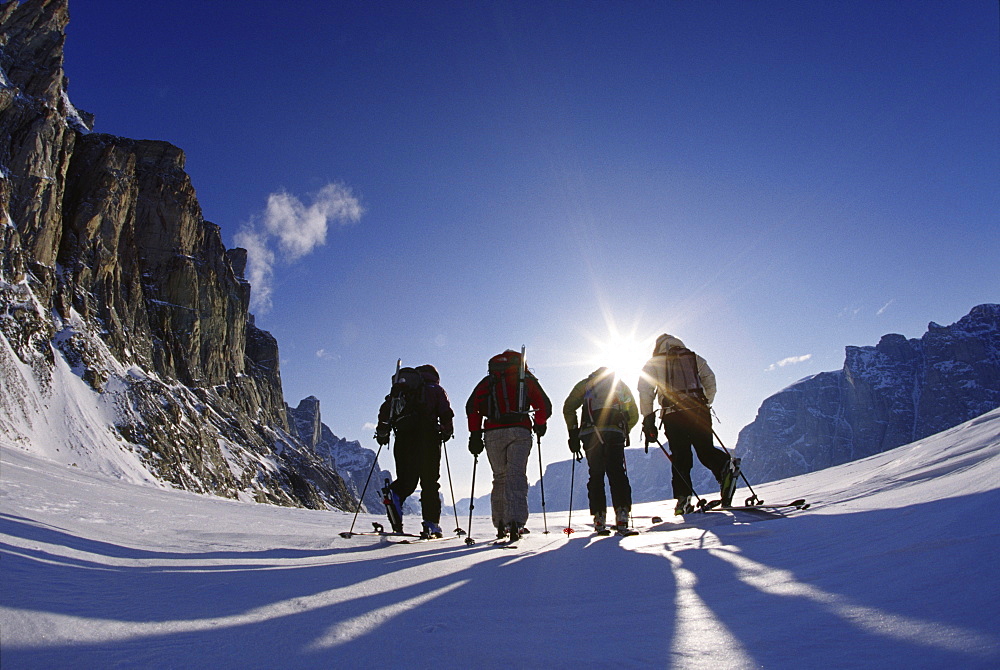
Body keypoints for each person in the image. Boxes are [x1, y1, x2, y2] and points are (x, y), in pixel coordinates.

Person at [637, 334, 739, 513]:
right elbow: (710, 380)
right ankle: (724, 466)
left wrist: (648, 419)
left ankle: (683, 499)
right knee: (705, 449)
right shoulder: (692, 357)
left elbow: (645, 391)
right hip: (698, 410)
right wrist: (705, 402)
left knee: (681, 457)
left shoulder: (654, 362)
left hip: (673, 414)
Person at [466, 349, 552, 541]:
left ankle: (500, 523)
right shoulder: (525, 379)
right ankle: (516, 522)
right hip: (520, 430)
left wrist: (475, 434)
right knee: (516, 474)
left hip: (492, 433)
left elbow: (472, 406)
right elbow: (544, 405)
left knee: (499, 477)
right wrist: (540, 424)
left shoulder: (488, 381)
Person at [375, 364, 454, 537]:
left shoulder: (403, 390)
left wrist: (382, 432)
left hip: (403, 438)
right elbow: (446, 412)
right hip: (428, 439)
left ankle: (395, 494)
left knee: (407, 479)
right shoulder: (436, 389)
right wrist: (447, 430)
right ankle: (431, 523)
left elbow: (385, 410)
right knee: (429, 482)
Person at [563, 367, 639, 532]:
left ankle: (599, 517)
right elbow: (633, 412)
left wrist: (574, 433)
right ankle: (622, 514)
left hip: (591, 434)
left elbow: (568, 408)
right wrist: (625, 430)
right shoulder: (619, 385)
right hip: (615, 432)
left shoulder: (585, 385)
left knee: (596, 474)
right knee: (617, 472)